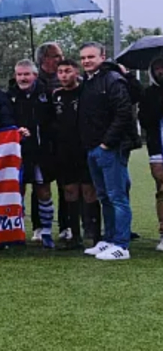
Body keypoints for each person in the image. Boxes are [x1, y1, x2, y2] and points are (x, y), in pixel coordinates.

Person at [78, 42, 137, 261]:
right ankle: (110, 240)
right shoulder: (88, 81)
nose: (86, 61)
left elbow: (124, 113)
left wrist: (106, 143)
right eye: (83, 58)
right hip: (93, 148)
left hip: (110, 149)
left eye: (91, 57)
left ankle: (122, 245)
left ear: (103, 57)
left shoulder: (112, 80)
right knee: (104, 196)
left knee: (117, 197)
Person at [9, 59, 56, 246]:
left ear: (34, 75)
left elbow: (54, 121)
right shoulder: (8, 96)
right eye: (19, 74)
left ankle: (45, 231)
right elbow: (3, 120)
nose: (23, 78)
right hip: (16, 152)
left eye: (26, 74)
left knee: (43, 191)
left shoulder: (47, 94)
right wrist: (15, 130)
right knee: (17, 192)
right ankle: (17, 231)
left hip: (41, 152)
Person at [47, 59, 92, 249]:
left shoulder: (86, 91)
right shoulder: (55, 95)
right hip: (64, 152)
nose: (64, 75)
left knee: (89, 191)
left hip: (85, 149)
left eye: (68, 71)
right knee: (70, 192)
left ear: (76, 72)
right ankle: (73, 235)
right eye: (60, 72)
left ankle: (92, 234)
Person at [140, 58, 163, 250]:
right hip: (158, 149)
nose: (160, 71)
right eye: (157, 68)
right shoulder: (149, 94)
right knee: (162, 190)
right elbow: (145, 120)